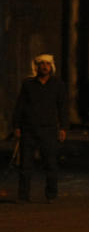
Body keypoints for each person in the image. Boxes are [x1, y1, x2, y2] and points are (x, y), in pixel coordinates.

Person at [12, 54, 69, 202]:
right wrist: (17, 126)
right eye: (42, 64)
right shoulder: (28, 84)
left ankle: (51, 195)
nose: (45, 67)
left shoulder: (58, 84)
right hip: (29, 130)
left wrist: (63, 127)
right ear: (36, 67)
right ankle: (23, 196)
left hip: (48, 130)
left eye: (47, 64)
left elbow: (62, 107)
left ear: (51, 67)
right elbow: (20, 106)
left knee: (50, 164)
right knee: (25, 166)